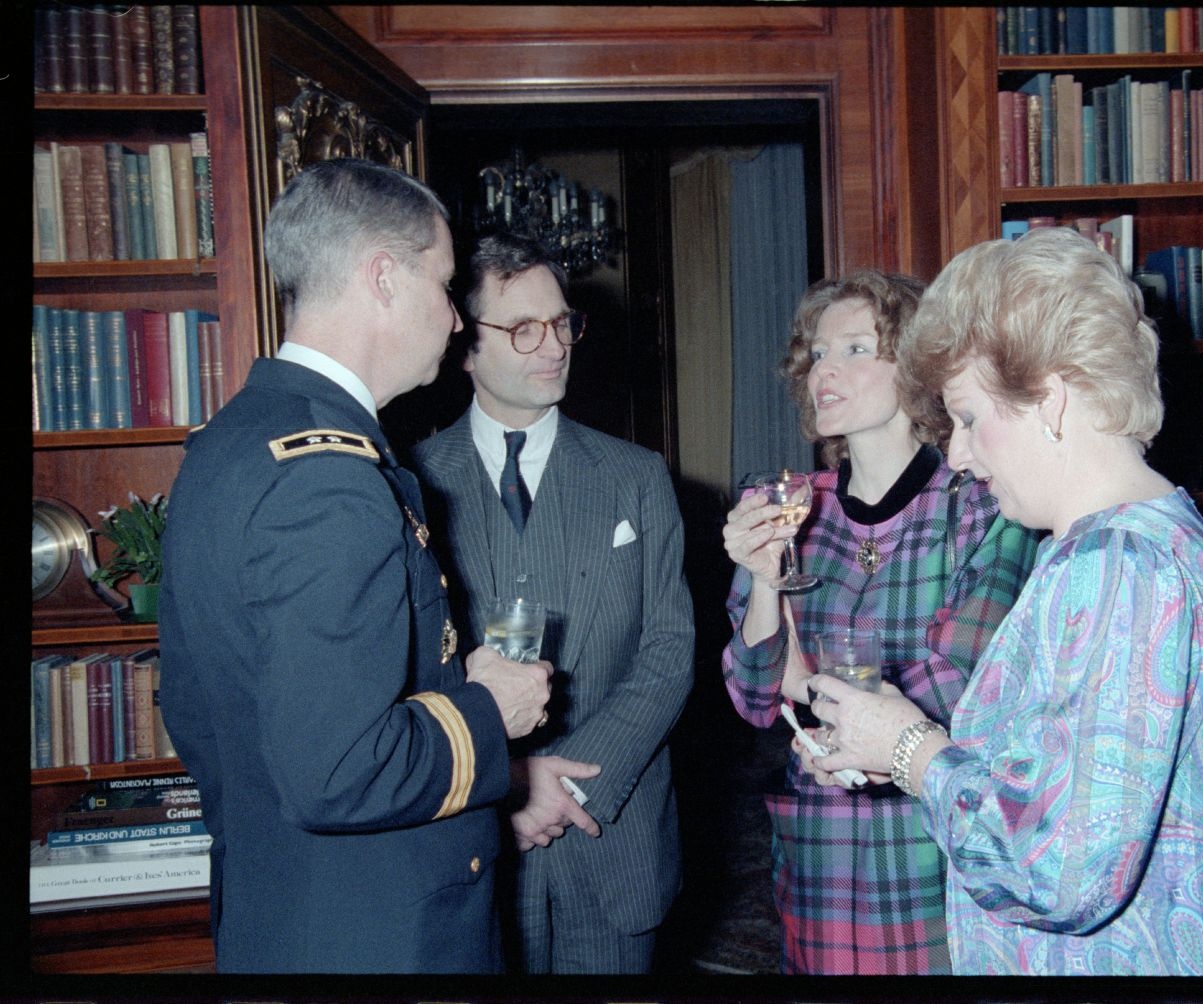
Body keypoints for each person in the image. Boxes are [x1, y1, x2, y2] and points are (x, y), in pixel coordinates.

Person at [803, 227, 1203, 975]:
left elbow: (1058, 871)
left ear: (1052, 399)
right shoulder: (1153, 538)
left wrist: (911, 752)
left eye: (968, 419)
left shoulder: (1118, 565)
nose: (958, 455)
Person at [157, 159, 551, 974]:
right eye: (443, 286)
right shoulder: (330, 482)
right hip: (377, 932)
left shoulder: (230, 442)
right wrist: (486, 711)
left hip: (286, 906)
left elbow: (202, 709)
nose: (453, 321)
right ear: (383, 277)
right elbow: (337, 770)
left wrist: (441, 690)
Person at [720, 269, 1038, 974]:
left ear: (914, 366)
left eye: (857, 349)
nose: (824, 371)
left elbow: (959, 681)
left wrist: (805, 683)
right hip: (820, 860)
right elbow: (750, 696)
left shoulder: (979, 507)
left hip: (934, 843)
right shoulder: (788, 506)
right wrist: (768, 584)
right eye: (817, 354)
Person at [412, 230, 695, 974]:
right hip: (471, 840)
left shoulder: (637, 477)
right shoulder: (407, 483)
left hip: (613, 838)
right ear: (465, 346)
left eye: (563, 323)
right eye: (523, 328)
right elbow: (406, 668)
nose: (555, 345)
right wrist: (507, 781)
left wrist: (567, 782)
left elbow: (669, 651)